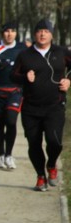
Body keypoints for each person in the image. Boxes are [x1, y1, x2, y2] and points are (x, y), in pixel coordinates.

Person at [11, 19, 71, 191]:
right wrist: (24, 77)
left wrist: (68, 80)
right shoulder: (25, 55)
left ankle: (51, 164)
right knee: (34, 144)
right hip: (31, 108)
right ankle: (40, 176)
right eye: (39, 31)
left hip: (55, 106)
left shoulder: (61, 52)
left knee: (55, 142)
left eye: (46, 31)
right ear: (34, 34)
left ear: (52, 34)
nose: (42, 34)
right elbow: (13, 76)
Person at [0, 22, 26, 170]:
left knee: (11, 121)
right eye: (6, 31)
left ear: (16, 33)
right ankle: (1, 154)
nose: (9, 34)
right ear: (2, 34)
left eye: (12, 31)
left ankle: (9, 155)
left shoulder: (23, 49)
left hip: (15, 92)